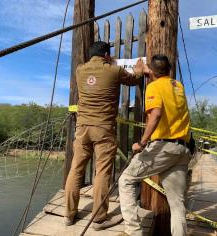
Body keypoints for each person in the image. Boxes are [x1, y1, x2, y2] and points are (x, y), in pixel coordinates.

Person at [64, 41, 146, 230]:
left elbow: (96, 74)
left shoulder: (79, 70)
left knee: (76, 169)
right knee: (102, 172)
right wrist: (139, 69)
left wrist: (109, 62)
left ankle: (69, 215)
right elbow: (134, 79)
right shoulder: (114, 70)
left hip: (82, 128)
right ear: (107, 55)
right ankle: (99, 218)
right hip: (103, 129)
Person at [118, 54, 192, 236]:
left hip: (163, 148)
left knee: (125, 180)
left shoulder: (153, 86)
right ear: (169, 70)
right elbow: (163, 80)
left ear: (152, 71)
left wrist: (142, 143)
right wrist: (149, 71)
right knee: (177, 204)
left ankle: (133, 232)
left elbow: (156, 114)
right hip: (182, 149)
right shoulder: (178, 86)